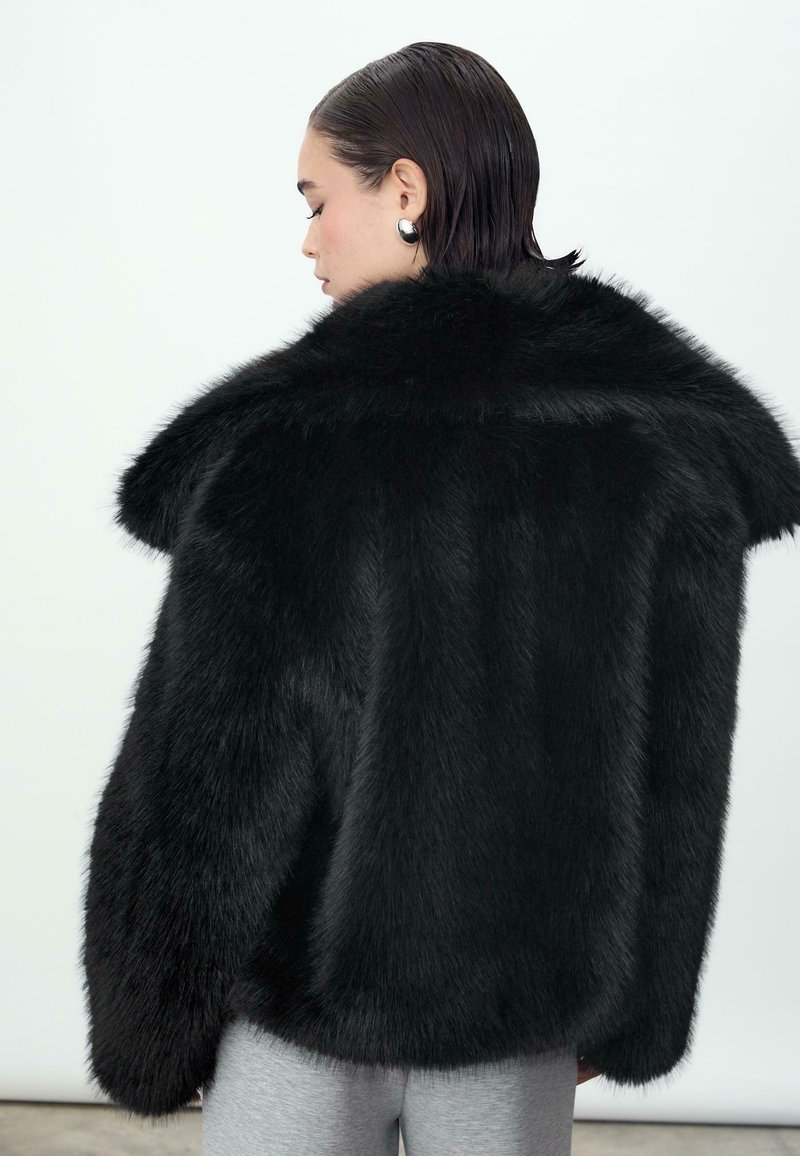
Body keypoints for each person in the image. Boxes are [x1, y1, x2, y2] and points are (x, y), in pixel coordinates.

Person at [80, 41, 800, 1156]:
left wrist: (154, 1020)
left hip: (302, 1002)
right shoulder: (658, 442)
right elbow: (677, 762)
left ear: (405, 191)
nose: (307, 238)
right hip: (521, 1010)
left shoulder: (291, 440)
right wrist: (633, 1001)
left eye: (317, 200)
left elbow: (208, 771)